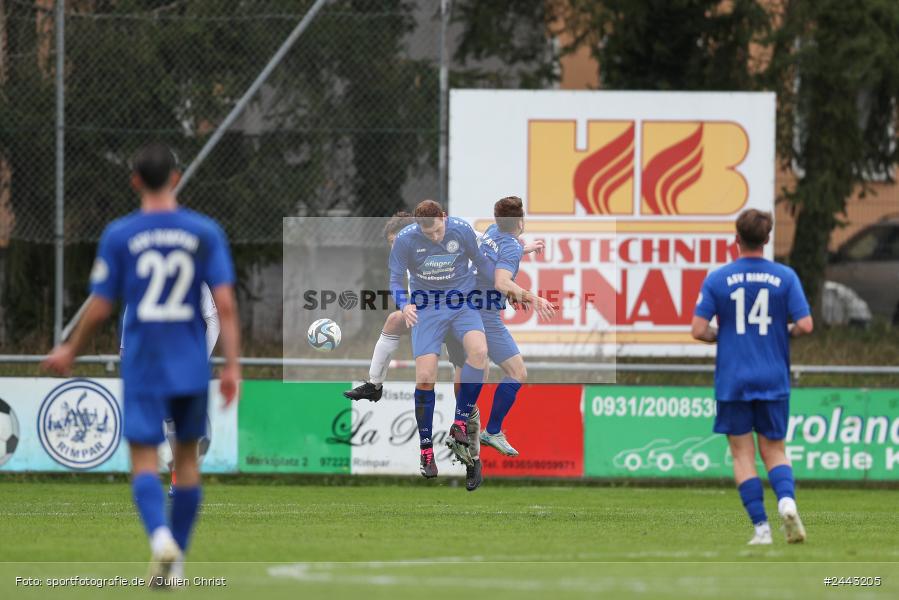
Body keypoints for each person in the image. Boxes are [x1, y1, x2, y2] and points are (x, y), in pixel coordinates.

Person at [42, 142, 241, 586]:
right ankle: (178, 560)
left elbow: (99, 305)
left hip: (144, 364)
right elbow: (224, 306)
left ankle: (159, 540)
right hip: (191, 364)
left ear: (134, 181)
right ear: (175, 178)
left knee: (144, 460)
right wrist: (232, 367)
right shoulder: (204, 232)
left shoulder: (120, 234)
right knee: (187, 460)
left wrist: (69, 350)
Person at [691, 208, 812, 545]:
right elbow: (805, 325)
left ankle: (761, 529)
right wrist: (781, 331)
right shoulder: (785, 277)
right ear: (768, 239)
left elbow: (698, 329)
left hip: (734, 379)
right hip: (773, 378)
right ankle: (786, 503)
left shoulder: (718, 278)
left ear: (736, 239)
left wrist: (722, 336)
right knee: (775, 450)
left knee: (743, 455)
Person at [388, 200, 499, 478]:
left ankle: (460, 423)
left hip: (462, 305)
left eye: (438, 231)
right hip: (426, 308)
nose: (435, 237)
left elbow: (483, 262)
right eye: (429, 234)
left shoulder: (461, 230)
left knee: (479, 353)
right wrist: (404, 304)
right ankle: (427, 450)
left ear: (445, 218)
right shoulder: (405, 240)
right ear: (418, 227)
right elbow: (394, 279)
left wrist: (505, 286)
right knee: (425, 376)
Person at [121, 282, 220, 497]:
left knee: (176, 425)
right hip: (149, 360)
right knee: (148, 422)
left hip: (179, 364)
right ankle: (148, 481)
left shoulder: (195, 277)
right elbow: (131, 308)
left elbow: (214, 319)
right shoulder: (147, 272)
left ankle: (177, 481)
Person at [474, 196, 555, 456]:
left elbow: (494, 255)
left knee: (475, 366)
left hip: (468, 306)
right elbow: (501, 282)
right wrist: (535, 298)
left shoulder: (492, 230)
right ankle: (489, 430)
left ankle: (464, 423)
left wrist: (524, 247)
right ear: (520, 221)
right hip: (485, 314)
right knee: (517, 372)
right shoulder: (510, 245)